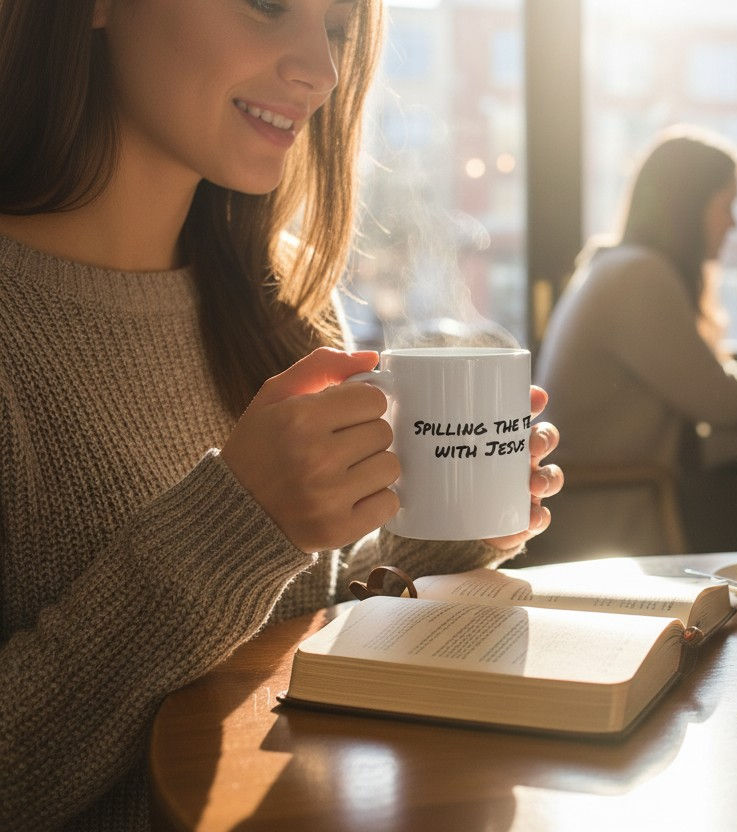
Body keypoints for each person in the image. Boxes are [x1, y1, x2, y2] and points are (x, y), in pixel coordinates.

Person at [0, 2, 562, 829]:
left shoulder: (281, 302)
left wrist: (442, 524)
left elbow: (293, 605)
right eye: (267, 4)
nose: (323, 71)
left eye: (336, 29)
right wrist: (236, 523)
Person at [531, 126, 737, 560]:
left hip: (613, 496)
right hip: (612, 507)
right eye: (727, 205)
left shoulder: (621, 267)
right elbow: (718, 397)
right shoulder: (638, 276)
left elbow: (709, 385)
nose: (735, 222)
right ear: (688, 208)